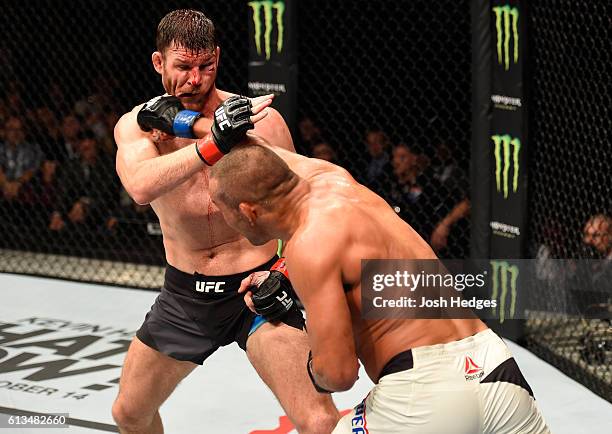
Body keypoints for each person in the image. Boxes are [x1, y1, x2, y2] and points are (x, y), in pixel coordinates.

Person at [208, 140, 551, 433]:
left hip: (424, 394)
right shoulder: (337, 180)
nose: (224, 221)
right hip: (496, 366)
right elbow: (274, 156)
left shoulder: (307, 246)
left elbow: (338, 374)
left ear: (248, 211)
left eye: (223, 212)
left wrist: (304, 335)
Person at [111, 9, 337, 434]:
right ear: (159, 63)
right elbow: (140, 187)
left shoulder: (260, 122)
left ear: (217, 57)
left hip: (258, 290)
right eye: (183, 67)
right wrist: (214, 140)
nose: (195, 80)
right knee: (128, 413)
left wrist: (285, 270)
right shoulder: (138, 127)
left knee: (320, 421)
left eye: (205, 66)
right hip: (186, 296)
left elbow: (306, 207)